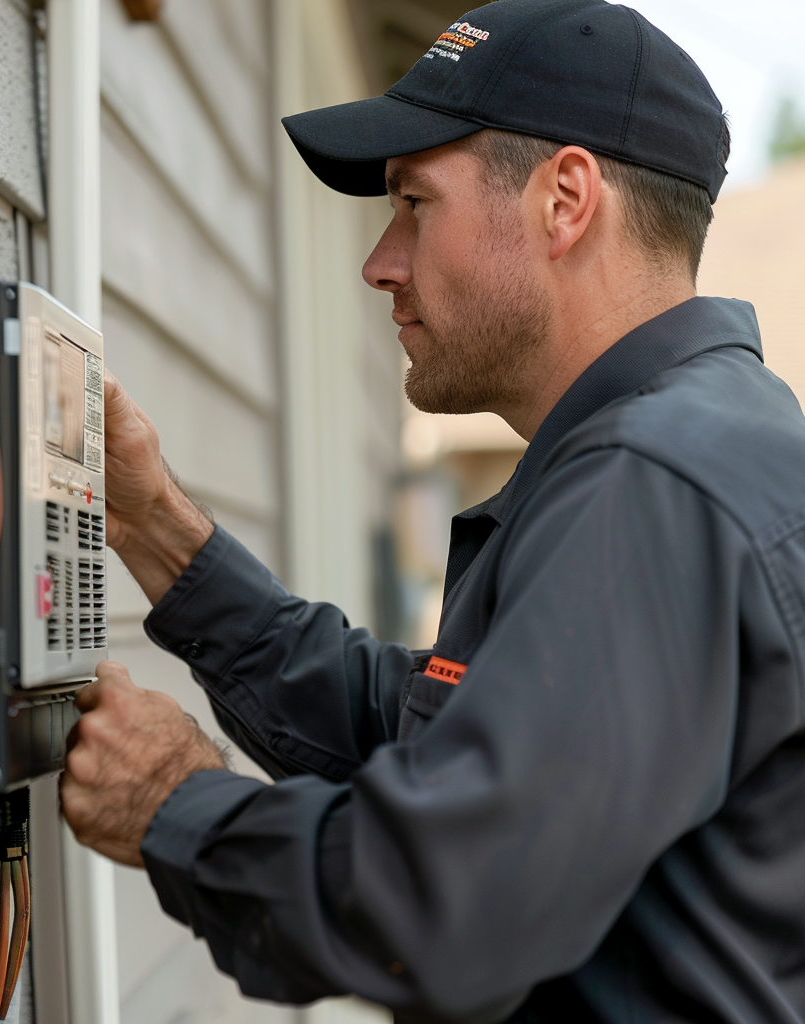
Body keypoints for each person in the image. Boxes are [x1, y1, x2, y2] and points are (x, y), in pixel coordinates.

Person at [60, 1, 805, 1021]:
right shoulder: (679, 447)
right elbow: (439, 741)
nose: (380, 261)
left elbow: (448, 905)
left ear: (565, 201)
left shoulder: (653, 481)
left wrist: (174, 802)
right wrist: (153, 526)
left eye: (415, 203)